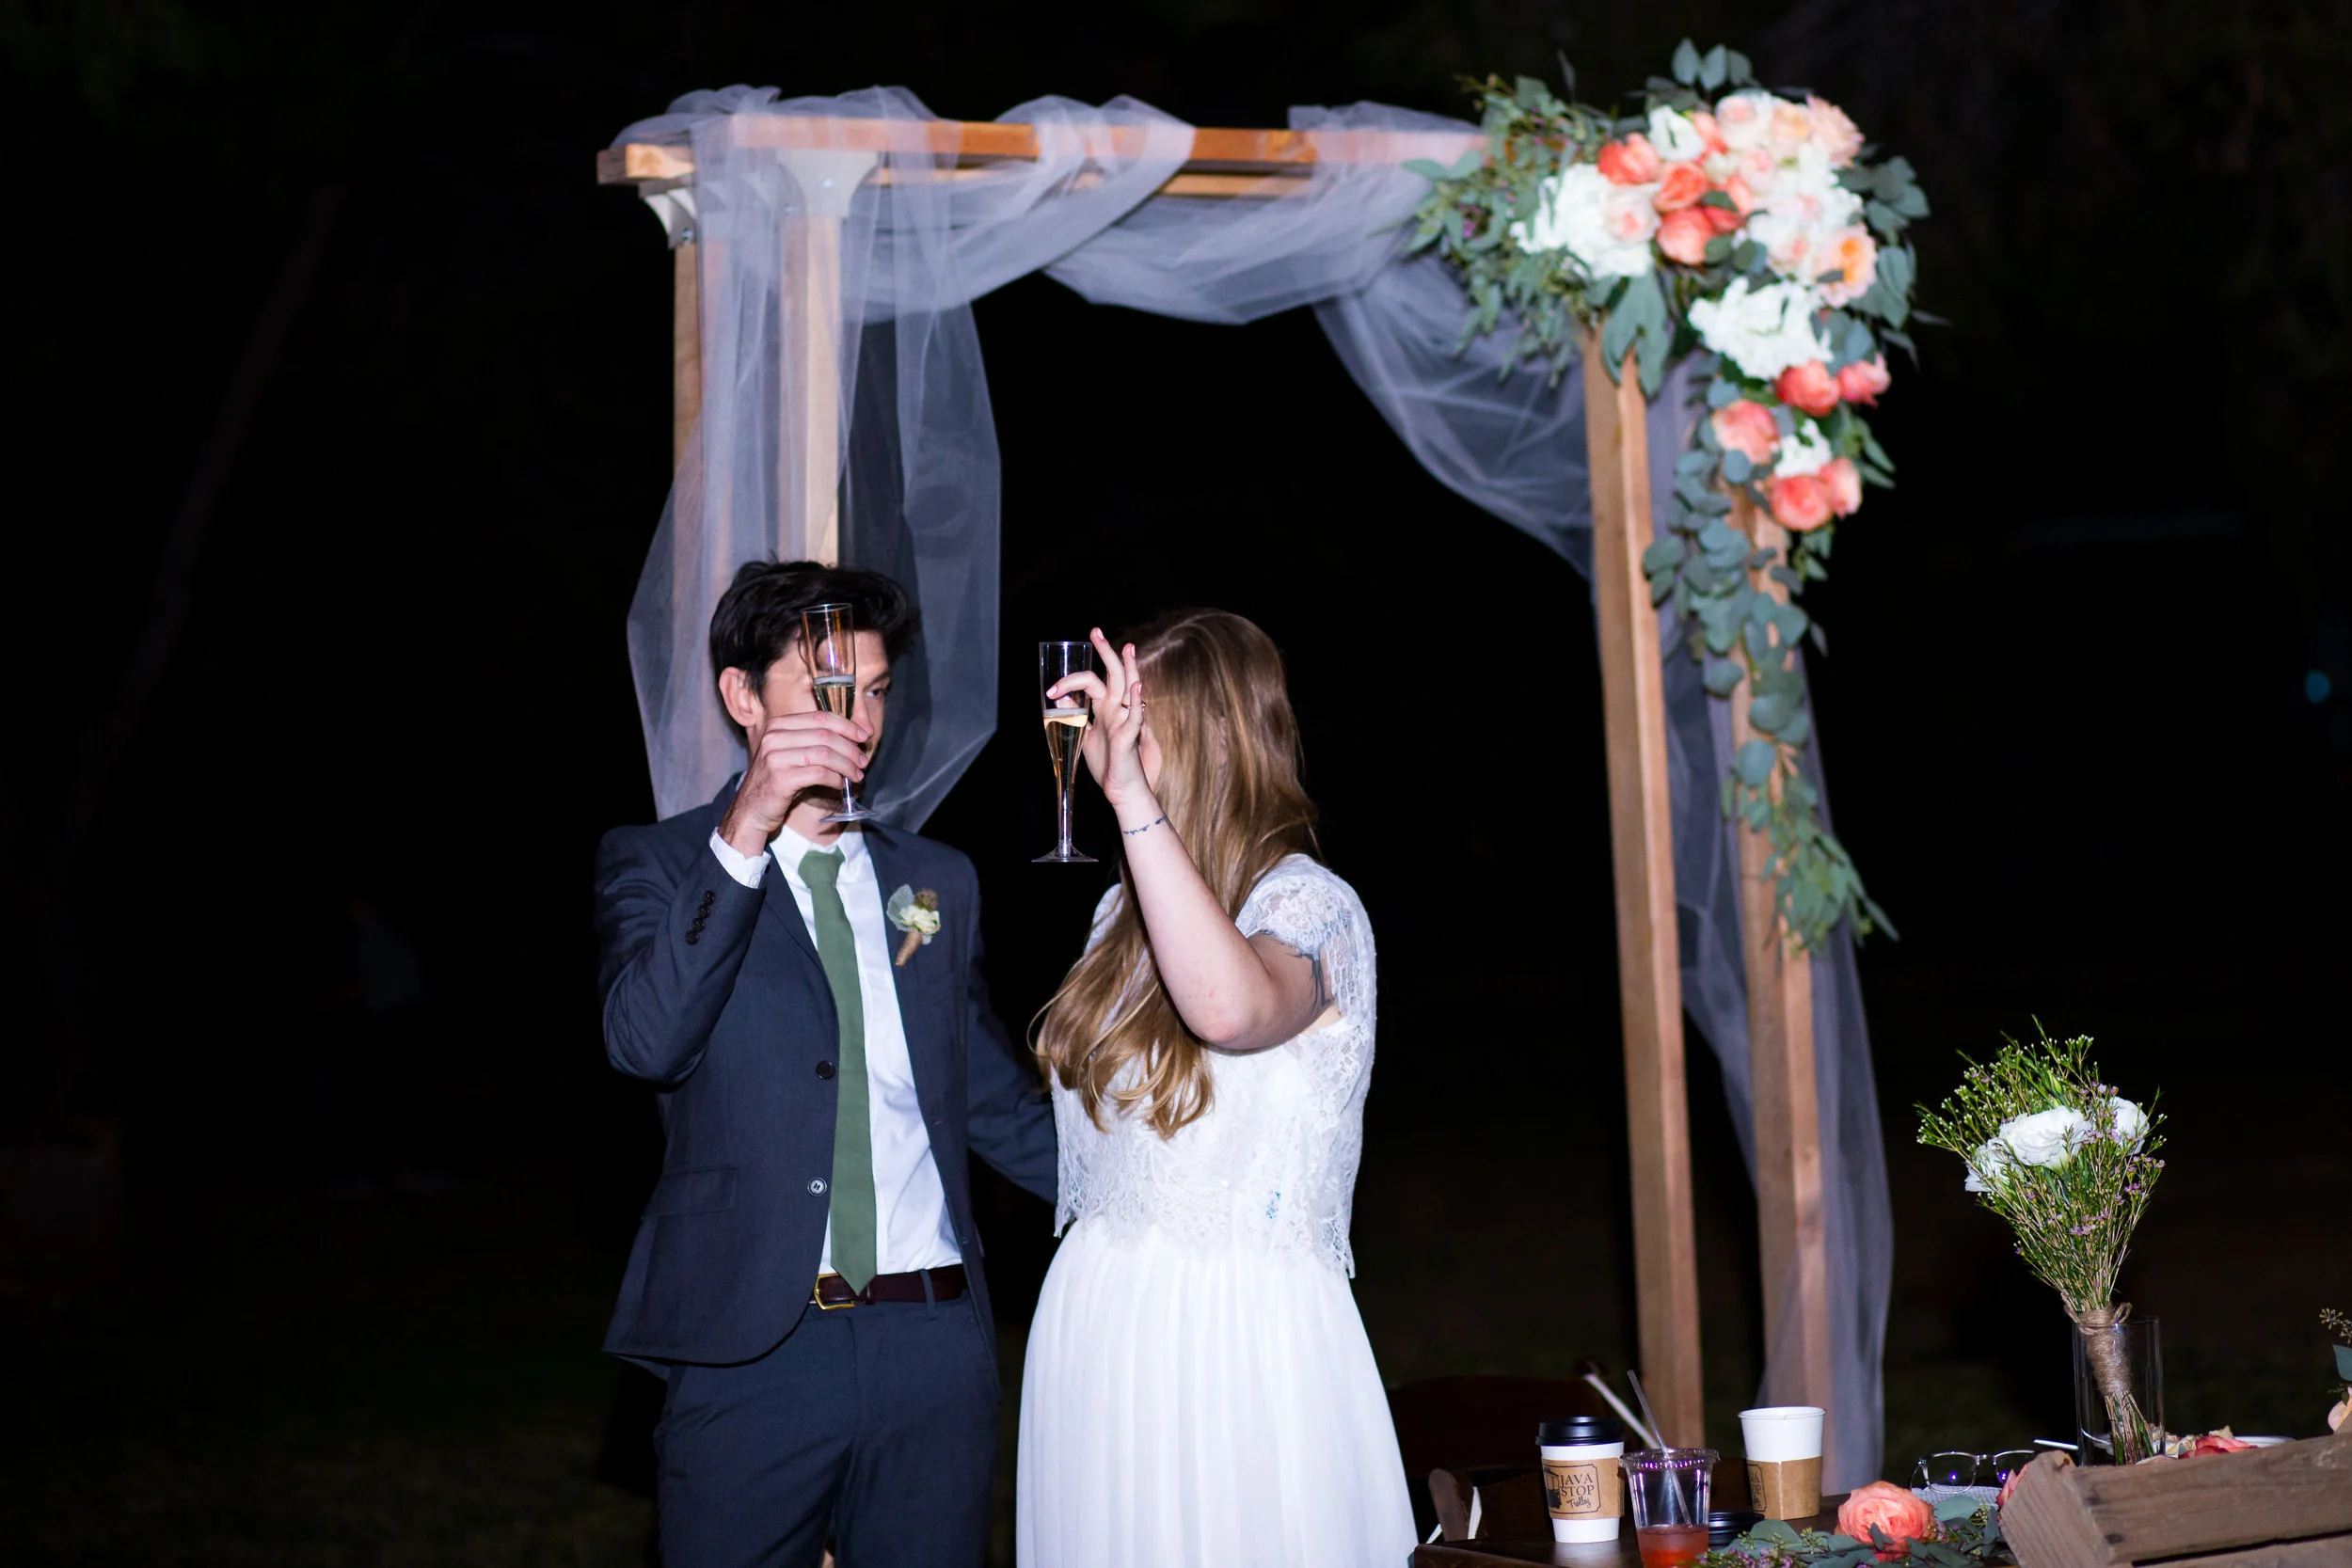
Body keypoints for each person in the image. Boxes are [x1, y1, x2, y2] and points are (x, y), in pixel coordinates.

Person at [594, 561, 1057, 1568]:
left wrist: (1154, 1186)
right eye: (828, 689)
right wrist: (747, 827)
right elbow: (645, 1041)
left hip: (932, 1342)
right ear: (742, 696)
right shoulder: (661, 864)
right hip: (755, 1347)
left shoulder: (935, 879)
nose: (861, 720)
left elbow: (987, 1100)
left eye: (877, 690)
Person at [1015, 611, 1416, 1568]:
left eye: (1138, 722)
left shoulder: (1314, 907)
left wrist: (1129, 799)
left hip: (1238, 1342)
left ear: (1219, 739)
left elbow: (1229, 1009)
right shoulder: (1117, 912)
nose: (1115, 742)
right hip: (1099, 1330)